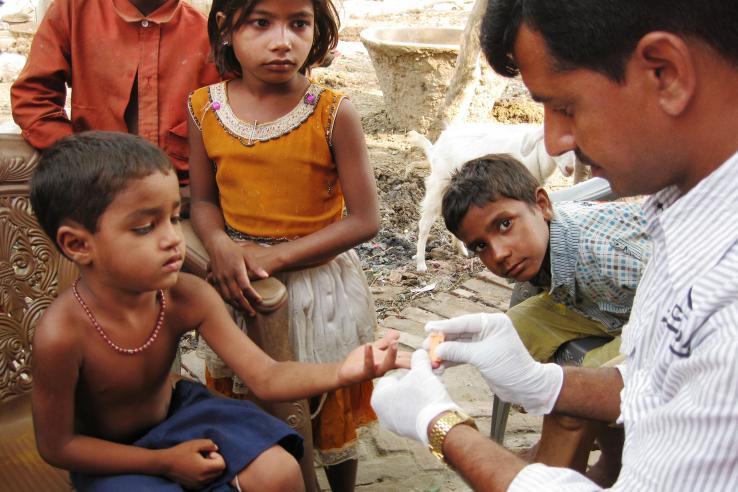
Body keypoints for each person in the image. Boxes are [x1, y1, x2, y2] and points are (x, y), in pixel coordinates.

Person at [371, 0, 738, 490]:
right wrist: (541, 382)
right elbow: (656, 382)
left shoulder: (726, 302)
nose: (556, 139)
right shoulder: (682, 219)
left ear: (665, 73)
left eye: (564, 106)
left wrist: (440, 426)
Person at [29, 131, 404, 492]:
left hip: (180, 418)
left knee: (279, 472)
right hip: (110, 454)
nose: (173, 239)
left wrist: (343, 370)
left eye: (174, 218)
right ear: (78, 245)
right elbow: (58, 446)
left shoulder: (185, 297)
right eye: (145, 227)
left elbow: (267, 376)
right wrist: (163, 462)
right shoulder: (62, 334)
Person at [187, 1, 380, 490]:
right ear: (227, 30)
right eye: (261, 23)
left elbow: (364, 220)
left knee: (327, 401)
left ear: (316, 32)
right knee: (250, 390)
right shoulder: (204, 108)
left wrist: (275, 257)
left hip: (318, 289)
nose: (282, 41)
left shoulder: (332, 113)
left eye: (298, 24)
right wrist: (219, 245)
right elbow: (203, 202)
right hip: (242, 283)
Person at [440, 154, 649, 482]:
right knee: (506, 333)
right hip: (592, 305)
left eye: (505, 224)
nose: (498, 254)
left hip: (647, 315)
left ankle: (598, 456)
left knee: (586, 381)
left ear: (542, 205)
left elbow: (677, 301)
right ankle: (602, 453)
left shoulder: (605, 256)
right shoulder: (535, 250)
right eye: (481, 245)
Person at [10, 0, 220, 186]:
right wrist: (83, 159)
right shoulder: (73, 11)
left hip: (176, 200)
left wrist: (197, 195)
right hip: (94, 190)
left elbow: (226, 125)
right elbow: (32, 100)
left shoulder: (206, 36)